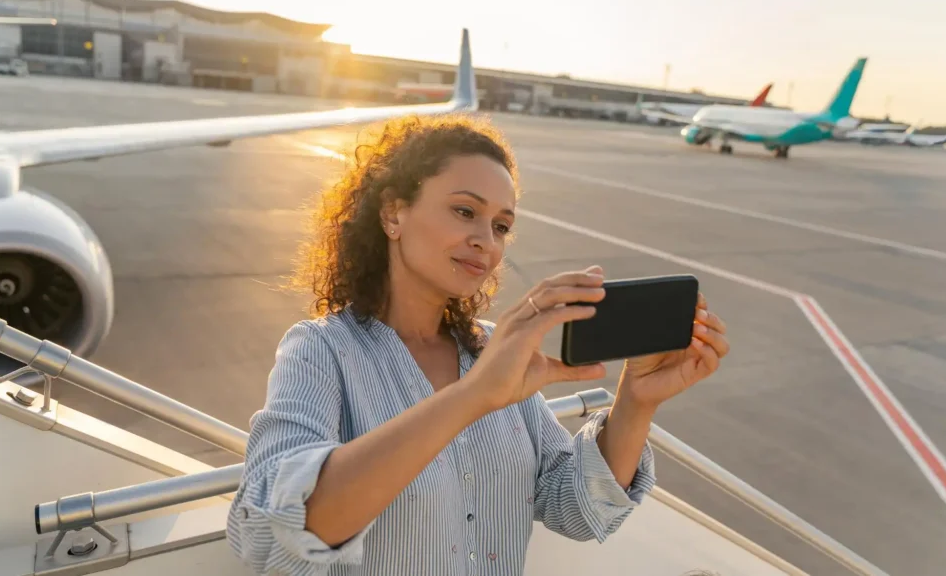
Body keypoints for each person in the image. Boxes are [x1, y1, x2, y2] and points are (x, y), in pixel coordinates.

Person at [227, 113, 730, 575]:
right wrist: (472, 397)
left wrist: (636, 402)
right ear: (392, 214)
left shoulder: (492, 350)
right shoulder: (321, 351)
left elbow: (574, 507)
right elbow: (270, 537)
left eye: (501, 226)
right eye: (465, 211)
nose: (486, 241)